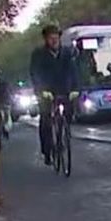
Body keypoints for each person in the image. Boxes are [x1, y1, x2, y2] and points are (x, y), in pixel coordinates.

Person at [29, 24, 79, 165]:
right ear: (46, 39)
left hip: (64, 89)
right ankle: (47, 151)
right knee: (46, 120)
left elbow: (73, 72)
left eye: (56, 38)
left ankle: (64, 134)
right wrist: (41, 90)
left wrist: (75, 88)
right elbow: (35, 73)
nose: (54, 41)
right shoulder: (38, 54)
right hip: (46, 91)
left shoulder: (67, 53)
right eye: (51, 38)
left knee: (68, 112)